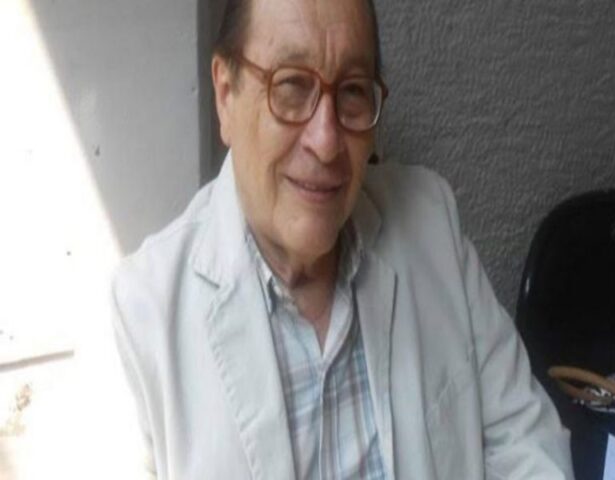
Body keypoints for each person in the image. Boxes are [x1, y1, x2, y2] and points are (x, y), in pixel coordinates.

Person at [111, 0, 574, 478]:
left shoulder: (431, 219)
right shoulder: (143, 312)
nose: (327, 141)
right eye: (291, 86)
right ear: (226, 95)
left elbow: (524, 438)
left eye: (352, 90)